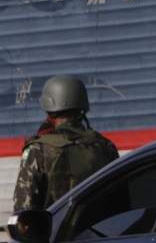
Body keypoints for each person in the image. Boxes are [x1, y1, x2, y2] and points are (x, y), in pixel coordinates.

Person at [13, 75, 119, 212]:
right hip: (100, 231)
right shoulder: (105, 146)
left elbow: (23, 208)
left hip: (56, 231)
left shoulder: (38, 149)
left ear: (49, 108)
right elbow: (120, 199)